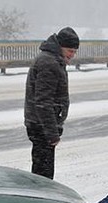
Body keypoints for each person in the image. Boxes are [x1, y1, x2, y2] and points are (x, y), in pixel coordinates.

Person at [24, 27, 79, 179]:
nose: (72, 55)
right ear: (60, 46)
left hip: (40, 125)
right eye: (70, 51)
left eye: (74, 52)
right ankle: (41, 200)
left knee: (41, 170)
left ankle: (40, 196)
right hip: (42, 127)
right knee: (43, 175)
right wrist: (52, 133)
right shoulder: (49, 63)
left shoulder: (51, 59)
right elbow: (43, 101)